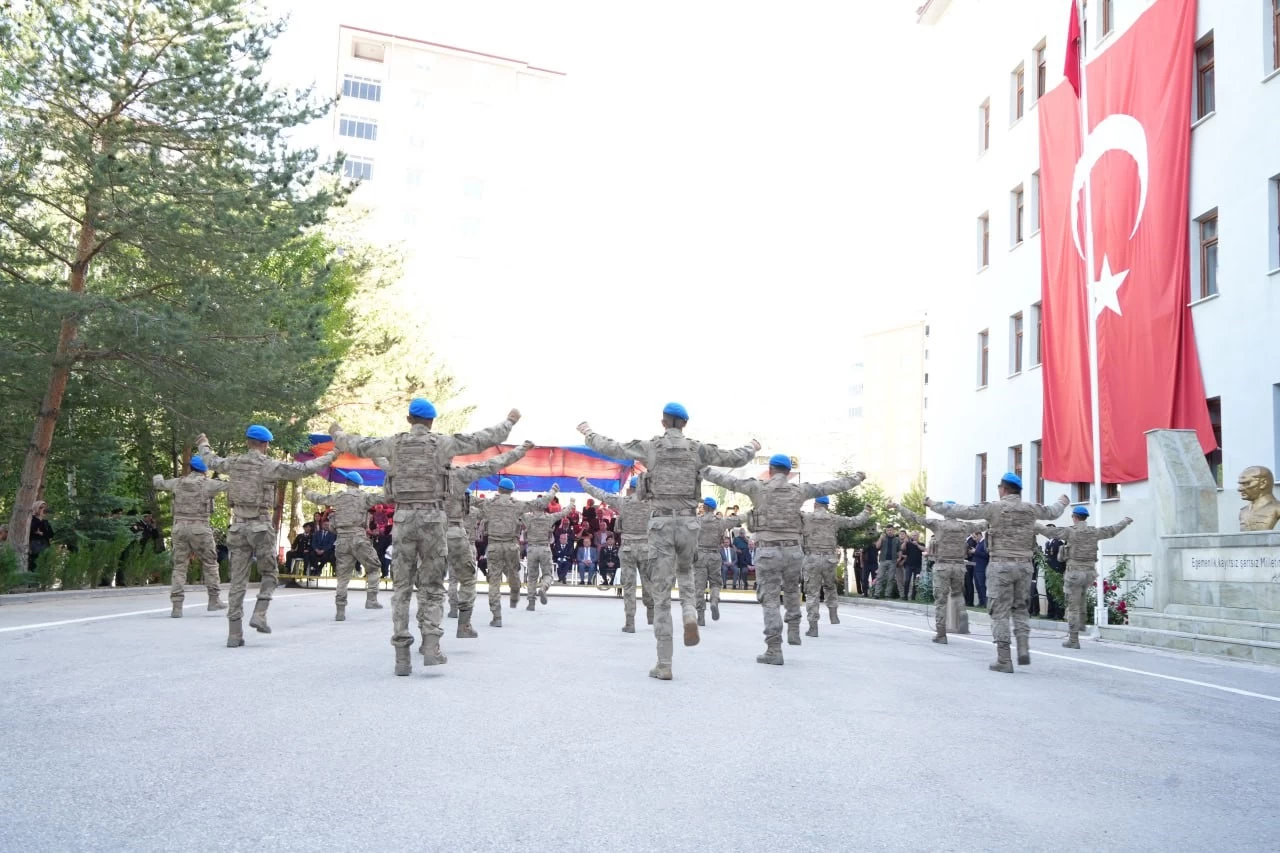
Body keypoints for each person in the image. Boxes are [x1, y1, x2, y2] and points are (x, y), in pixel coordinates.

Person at [330, 400, 518, 676]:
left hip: (403, 520)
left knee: (402, 589)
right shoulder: (442, 444)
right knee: (431, 586)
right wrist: (509, 421)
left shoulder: (394, 444)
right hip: (433, 520)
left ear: (409, 419)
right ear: (432, 422)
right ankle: (431, 646)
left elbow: (359, 444)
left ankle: (402, 657)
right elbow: (483, 440)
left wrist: (337, 433)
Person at [579, 404, 758, 679]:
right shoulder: (697, 449)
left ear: (663, 421)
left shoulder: (651, 447)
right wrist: (752, 447)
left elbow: (612, 448)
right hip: (689, 523)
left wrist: (588, 433)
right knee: (686, 573)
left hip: (661, 523)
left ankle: (664, 664)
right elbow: (733, 458)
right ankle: (689, 611)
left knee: (661, 593)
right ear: (685, 424)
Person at [703, 457, 863, 664]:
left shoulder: (757, 488)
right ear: (788, 472)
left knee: (770, 600)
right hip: (793, 551)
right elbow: (830, 486)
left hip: (768, 551)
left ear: (770, 470)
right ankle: (794, 626)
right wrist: (857, 478)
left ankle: (774, 650)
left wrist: (702, 469)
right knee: (792, 590)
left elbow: (726, 480)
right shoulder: (799, 491)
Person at [197, 425, 337, 648]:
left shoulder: (233, 463)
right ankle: (260, 613)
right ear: (265, 444)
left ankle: (234, 634)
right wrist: (331, 455)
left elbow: (211, 460)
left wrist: (203, 442)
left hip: (237, 528)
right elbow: (302, 469)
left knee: (237, 582)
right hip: (260, 527)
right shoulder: (268, 465)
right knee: (270, 574)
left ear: (247, 442)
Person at [930, 473, 1069, 673]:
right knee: (1021, 608)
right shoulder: (1030, 509)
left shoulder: (995, 507)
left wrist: (932, 503)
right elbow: (1052, 512)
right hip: (1024, 566)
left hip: (1001, 566)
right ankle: (1022, 647)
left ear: (1003, 489)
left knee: (1000, 611)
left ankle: (1004, 659)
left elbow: (963, 510)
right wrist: (1062, 501)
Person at [435, 442, 531, 632]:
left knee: (454, 578)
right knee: (477, 578)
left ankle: (474, 612)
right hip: (473, 543)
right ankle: (512, 595)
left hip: (444, 538)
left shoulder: (440, 486)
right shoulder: (508, 506)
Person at [1037, 507, 1133, 649]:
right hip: (1089, 573)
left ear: (1074, 517)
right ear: (1085, 517)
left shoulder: (1070, 532)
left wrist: (1031, 523)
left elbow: (1049, 531)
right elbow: (1112, 530)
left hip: (1074, 573)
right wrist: (1125, 521)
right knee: (1081, 600)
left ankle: (1073, 639)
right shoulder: (1094, 532)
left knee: (1073, 605)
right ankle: (1080, 626)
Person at [893, 502, 986, 644]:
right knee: (957, 595)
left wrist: (898, 507)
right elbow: (983, 524)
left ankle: (941, 635)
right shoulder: (964, 526)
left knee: (941, 601)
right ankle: (963, 619)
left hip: (942, 566)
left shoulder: (938, 525)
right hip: (959, 567)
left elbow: (915, 517)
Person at [470, 478, 557, 627]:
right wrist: (553, 491)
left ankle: (496, 616)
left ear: (498, 489)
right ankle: (515, 592)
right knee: (513, 572)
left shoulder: (488, 504)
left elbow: (470, 499)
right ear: (511, 491)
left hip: (494, 546)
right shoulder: (517, 505)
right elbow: (538, 504)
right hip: (511, 545)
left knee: (494, 581)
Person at [151, 454, 230, 616]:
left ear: (191, 468)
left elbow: (158, 483)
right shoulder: (208, 484)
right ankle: (214, 599)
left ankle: (177, 606)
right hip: (200, 527)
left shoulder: (177, 483)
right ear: (205, 469)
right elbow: (230, 486)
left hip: (179, 528)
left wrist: (157, 475)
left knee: (180, 566)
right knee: (210, 563)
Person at [305, 470, 388, 620]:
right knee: (374, 566)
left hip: (342, 540)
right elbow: (384, 496)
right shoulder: (364, 497)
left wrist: (306, 491)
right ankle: (371, 599)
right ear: (359, 484)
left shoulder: (337, 497)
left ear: (346, 482)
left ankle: (340, 610)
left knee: (342, 577)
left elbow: (318, 498)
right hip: (358, 538)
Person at [580, 476, 654, 634]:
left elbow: (601, 494)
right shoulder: (652, 503)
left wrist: (584, 483)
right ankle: (651, 611)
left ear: (632, 488)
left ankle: (630, 622)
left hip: (628, 549)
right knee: (648, 582)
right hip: (646, 548)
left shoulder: (624, 502)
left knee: (629, 586)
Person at [800, 496, 871, 637]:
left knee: (812, 593)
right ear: (827, 506)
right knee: (830, 586)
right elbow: (855, 521)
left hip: (812, 558)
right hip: (829, 559)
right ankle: (833, 614)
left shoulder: (805, 517)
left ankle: (813, 627)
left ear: (815, 505)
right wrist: (866, 511)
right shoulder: (834, 519)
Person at [693, 496, 740, 625]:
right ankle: (714, 600)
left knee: (699, 587)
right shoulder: (721, 521)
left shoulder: (697, 520)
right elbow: (736, 520)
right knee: (716, 583)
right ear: (714, 508)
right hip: (715, 555)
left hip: (700, 556)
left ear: (705, 507)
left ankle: (700, 616)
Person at [521, 498, 572, 611]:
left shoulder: (528, 517)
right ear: (544, 507)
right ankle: (543, 588)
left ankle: (531, 602)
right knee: (548, 574)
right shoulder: (549, 517)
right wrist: (571, 504)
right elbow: (563, 513)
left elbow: (518, 511)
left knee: (532, 577)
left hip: (532, 549)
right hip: (544, 548)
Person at [873, 525, 902, 599]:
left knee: (891, 578)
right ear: (886, 531)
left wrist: (899, 558)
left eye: (891, 530)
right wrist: (880, 538)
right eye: (888, 530)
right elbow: (877, 546)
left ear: (893, 530)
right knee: (880, 577)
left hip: (893, 561)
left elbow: (899, 550)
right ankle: (877, 594)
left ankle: (887, 595)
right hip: (883, 560)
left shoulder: (896, 539)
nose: (889, 531)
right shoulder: (883, 538)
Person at [28, 501, 54, 573]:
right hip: (34, 547)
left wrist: (42, 533)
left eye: (44, 508)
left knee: (44, 567)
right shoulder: (31, 519)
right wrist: (39, 520)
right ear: (35, 508)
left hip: (45, 545)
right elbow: (31, 530)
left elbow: (51, 534)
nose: (43, 509)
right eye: (40, 507)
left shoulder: (45, 521)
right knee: (34, 566)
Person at [900, 530, 924, 600]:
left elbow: (925, 550)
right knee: (907, 580)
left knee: (916, 582)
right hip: (909, 565)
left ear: (918, 536)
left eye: (915, 535)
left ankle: (913, 597)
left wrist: (917, 545)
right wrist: (905, 541)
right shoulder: (908, 544)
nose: (914, 537)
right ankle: (905, 596)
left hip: (918, 566)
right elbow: (902, 548)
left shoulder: (921, 544)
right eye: (913, 535)